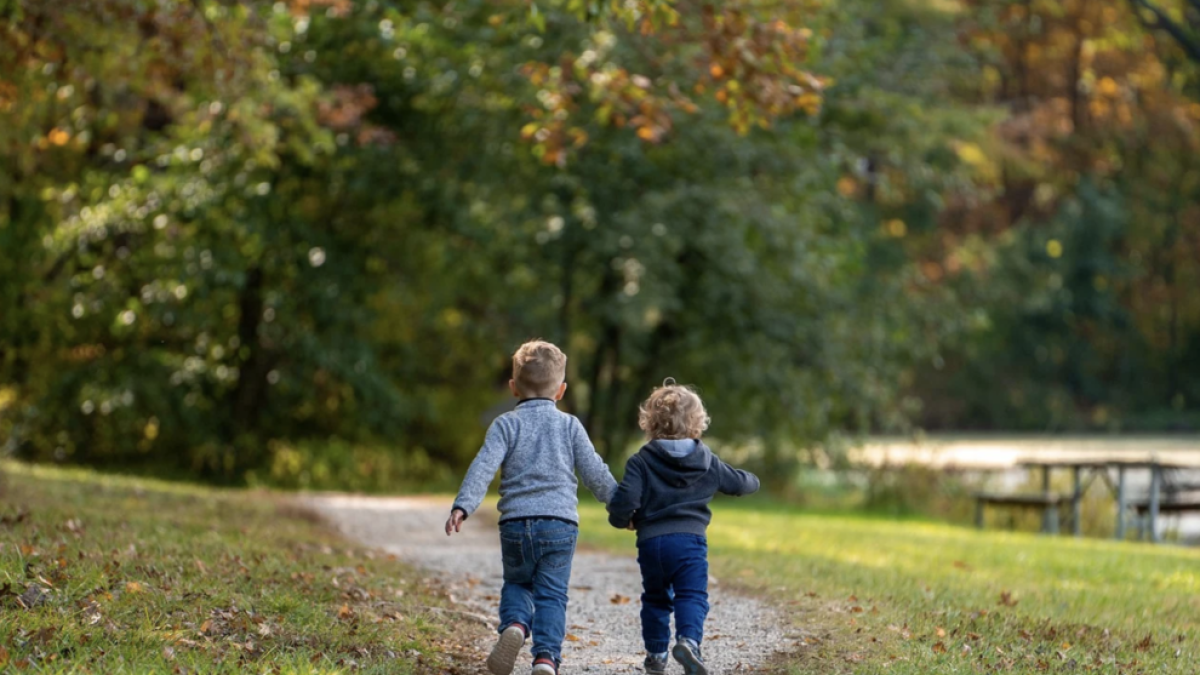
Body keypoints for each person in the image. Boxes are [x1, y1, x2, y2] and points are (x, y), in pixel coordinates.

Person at [446, 340, 618, 675]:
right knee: (552, 596)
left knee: (517, 584)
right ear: (562, 390)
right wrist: (622, 507)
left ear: (513, 387)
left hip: (515, 524)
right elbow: (595, 471)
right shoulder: (570, 426)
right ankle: (545, 659)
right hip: (559, 525)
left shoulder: (505, 425)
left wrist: (463, 505)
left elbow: (482, 466)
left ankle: (514, 625)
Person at [607, 380, 760, 675]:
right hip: (690, 542)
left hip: (651, 543)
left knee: (655, 597)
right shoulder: (707, 461)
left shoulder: (641, 461)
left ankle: (655, 655)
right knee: (691, 595)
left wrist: (620, 519)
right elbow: (738, 483)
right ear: (697, 424)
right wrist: (755, 480)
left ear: (650, 423)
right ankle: (688, 642)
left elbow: (625, 499)